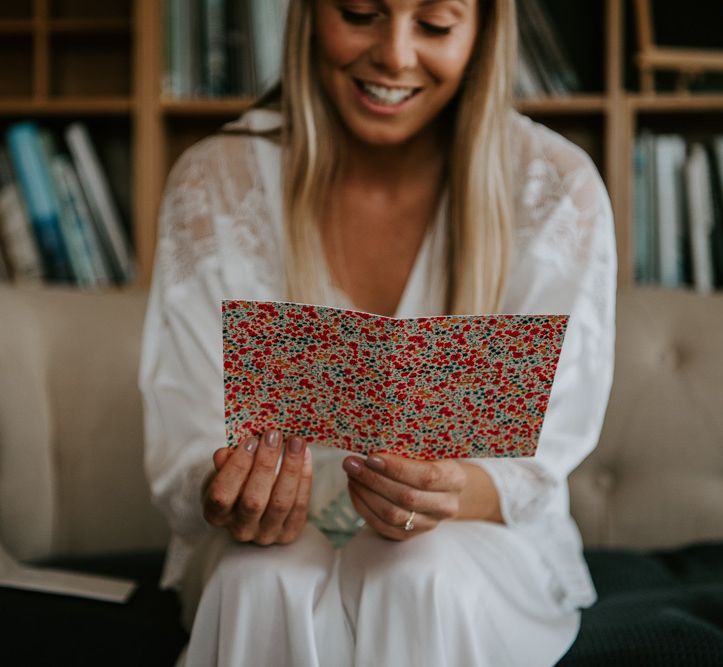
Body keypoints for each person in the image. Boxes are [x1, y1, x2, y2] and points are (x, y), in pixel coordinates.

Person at [139, 0, 616, 664]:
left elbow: (543, 449)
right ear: (308, 15)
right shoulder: (214, 178)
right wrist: (234, 492)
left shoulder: (554, 186)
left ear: (480, 32)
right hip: (258, 547)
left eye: (435, 24)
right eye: (361, 13)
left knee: (416, 572)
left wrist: (453, 488)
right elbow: (185, 430)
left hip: (473, 533)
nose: (394, 54)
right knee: (260, 576)